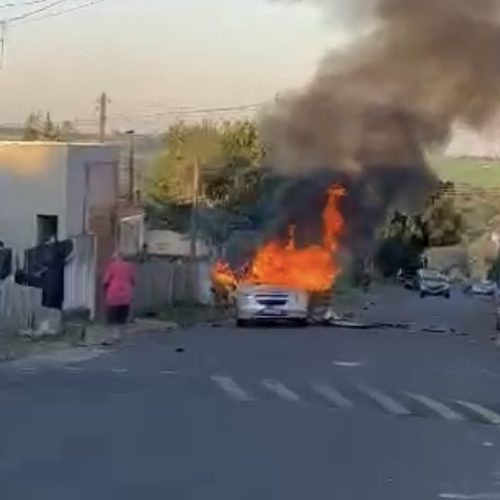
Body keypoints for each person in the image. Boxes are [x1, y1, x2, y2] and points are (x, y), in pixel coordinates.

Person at [102, 251, 135, 345]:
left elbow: (106, 281)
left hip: (114, 294)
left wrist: (104, 291)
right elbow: (133, 280)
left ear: (115, 257)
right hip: (126, 295)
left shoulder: (111, 266)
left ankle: (110, 337)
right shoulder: (130, 266)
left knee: (111, 318)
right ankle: (119, 336)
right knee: (122, 317)